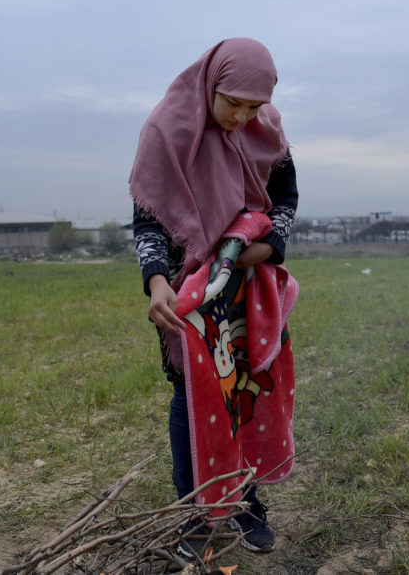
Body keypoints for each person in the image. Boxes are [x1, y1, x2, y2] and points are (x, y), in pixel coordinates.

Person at [130, 38, 298, 557]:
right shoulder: (166, 131)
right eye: (233, 103)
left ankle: (247, 506)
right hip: (192, 289)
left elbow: (286, 200)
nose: (243, 116)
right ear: (210, 85)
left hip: (249, 286)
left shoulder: (266, 132)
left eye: (255, 106)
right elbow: (148, 221)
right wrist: (159, 282)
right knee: (195, 396)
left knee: (247, 389)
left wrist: (263, 249)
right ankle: (197, 516)